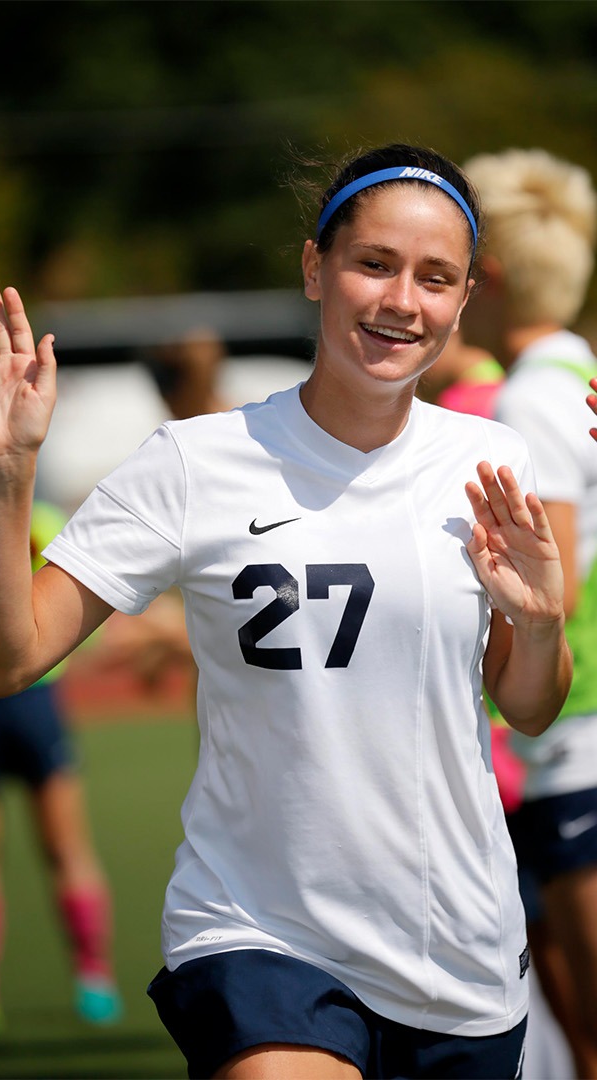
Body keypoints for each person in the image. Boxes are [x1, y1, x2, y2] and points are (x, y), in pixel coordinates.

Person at [0, 144, 569, 1078]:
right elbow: (6, 659)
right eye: (374, 263)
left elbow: (526, 706)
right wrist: (6, 477)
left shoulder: (492, 461)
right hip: (257, 931)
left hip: (461, 950)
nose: (402, 300)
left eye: (435, 278)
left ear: (460, 300)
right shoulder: (191, 462)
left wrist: (538, 624)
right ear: (314, 269)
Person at [462, 146, 597, 1078]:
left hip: (575, 735)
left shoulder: (532, 398)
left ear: (492, 277)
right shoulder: (580, 376)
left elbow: (551, 597)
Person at [0, 500, 122, 1042]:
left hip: (35, 703)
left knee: (64, 846)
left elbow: (80, 616)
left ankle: (93, 975)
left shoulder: (43, 521)